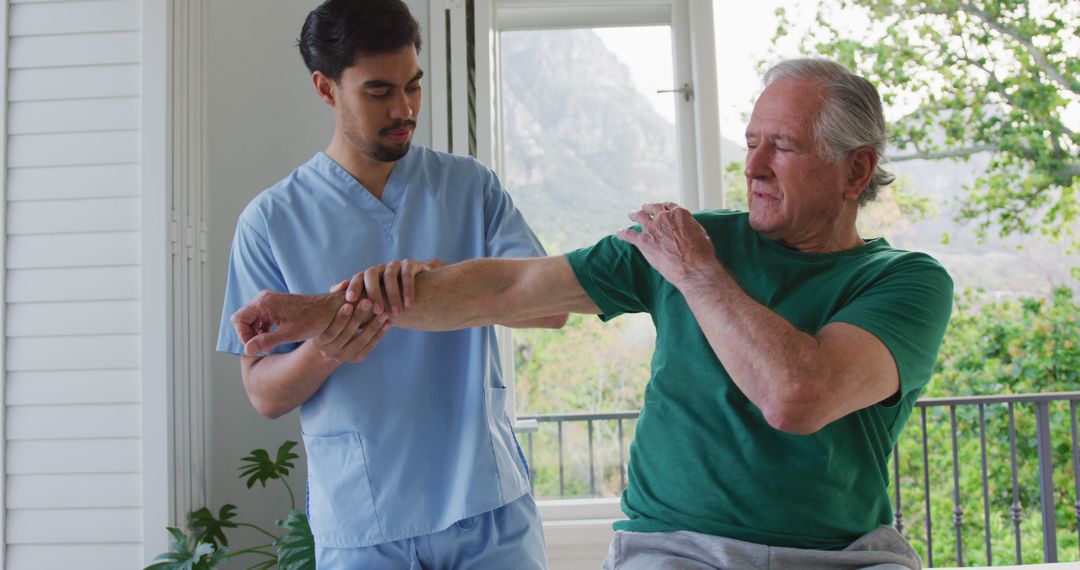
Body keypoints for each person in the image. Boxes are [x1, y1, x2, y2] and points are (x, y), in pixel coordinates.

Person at [231, 58, 953, 569]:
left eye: (784, 148)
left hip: (841, 556)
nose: (754, 166)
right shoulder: (684, 240)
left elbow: (798, 394)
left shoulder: (901, 282)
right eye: (752, 142)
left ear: (855, 171)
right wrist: (315, 312)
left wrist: (699, 274)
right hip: (675, 549)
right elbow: (508, 290)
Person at [215, 1, 564, 567]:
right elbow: (263, 393)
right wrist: (326, 348)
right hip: (362, 526)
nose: (404, 108)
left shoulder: (469, 187)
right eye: (378, 92)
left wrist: (435, 282)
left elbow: (550, 308)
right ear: (326, 88)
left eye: (414, 86)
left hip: (486, 511)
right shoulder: (270, 221)